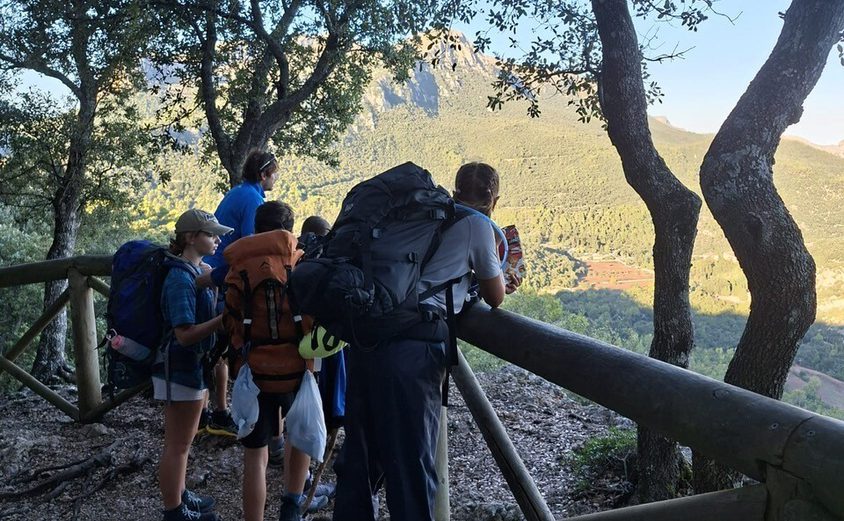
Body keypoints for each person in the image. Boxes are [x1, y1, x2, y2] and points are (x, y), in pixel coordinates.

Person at [332, 162, 519, 521]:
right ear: (494, 198)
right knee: (412, 466)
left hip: (370, 337)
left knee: (360, 458)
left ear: (456, 188)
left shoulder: (424, 213)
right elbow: (496, 296)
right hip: (414, 350)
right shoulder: (479, 226)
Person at [224, 201, 321, 521]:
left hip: (256, 373)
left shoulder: (238, 267)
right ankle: (291, 508)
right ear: (289, 230)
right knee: (300, 436)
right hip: (297, 369)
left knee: (255, 453)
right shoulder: (300, 262)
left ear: (256, 228)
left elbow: (231, 322)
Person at [153, 208, 232, 521]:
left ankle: (181, 494)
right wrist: (221, 321)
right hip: (180, 369)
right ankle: (174, 511)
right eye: (210, 234)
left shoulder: (194, 274)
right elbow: (184, 335)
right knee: (178, 445)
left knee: (182, 444)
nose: (217, 239)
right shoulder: (179, 279)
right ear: (189, 237)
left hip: (191, 369)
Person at [201, 149, 281, 436]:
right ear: (263, 175)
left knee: (215, 347)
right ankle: (221, 414)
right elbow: (252, 244)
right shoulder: (254, 200)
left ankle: (210, 413)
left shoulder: (240, 192)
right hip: (222, 278)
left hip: (212, 273)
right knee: (222, 343)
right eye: (274, 173)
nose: (276, 178)